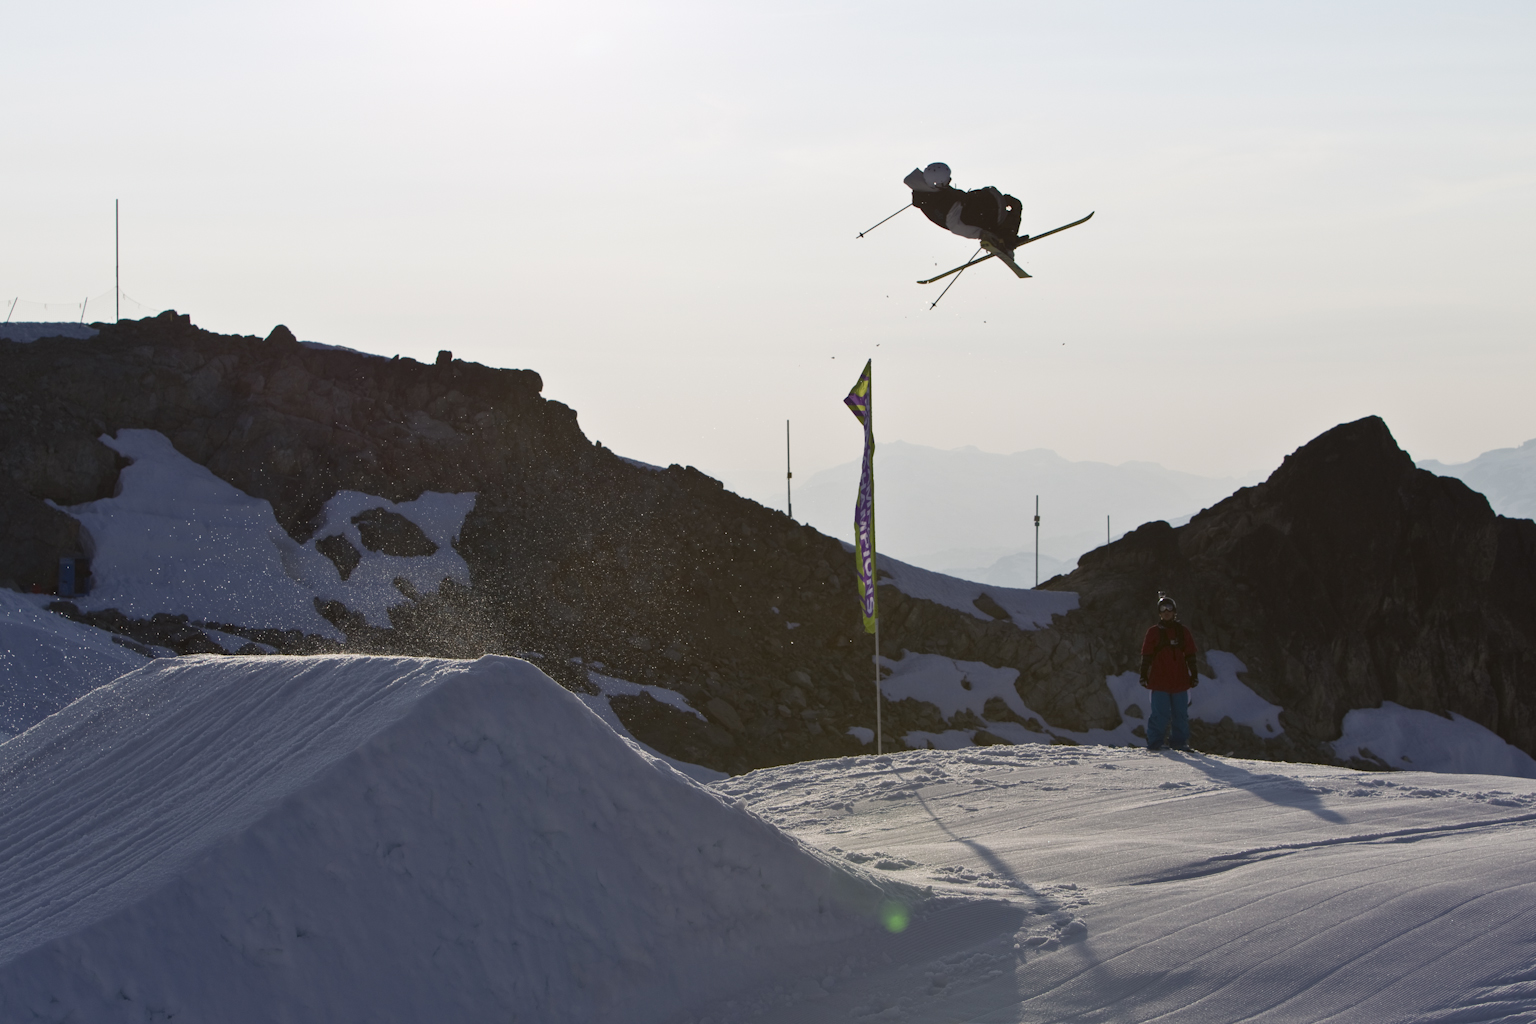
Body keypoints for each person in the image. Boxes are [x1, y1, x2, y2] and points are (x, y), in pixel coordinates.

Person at [902, 163, 1026, 257]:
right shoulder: (943, 203)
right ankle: (1007, 241)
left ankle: (1005, 238)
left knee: (1009, 205)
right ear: (939, 183)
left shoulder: (926, 194)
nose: (950, 181)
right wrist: (983, 234)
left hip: (978, 207)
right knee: (1015, 205)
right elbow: (956, 225)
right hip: (981, 213)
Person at [1139, 594, 1199, 751]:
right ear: (1159, 613)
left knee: (1181, 714)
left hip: (1180, 680)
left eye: (1169, 609)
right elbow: (1146, 655)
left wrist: (1194, 674)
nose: (1166, 611)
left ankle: (1179, 742)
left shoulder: (1183, 632)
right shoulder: (1153, 632)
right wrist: (1144, 674)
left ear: (1174, 612)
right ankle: (1155, 742)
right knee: (1160, 714)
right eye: (1163, 609)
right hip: (1159, 680)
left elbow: (1191, 654)